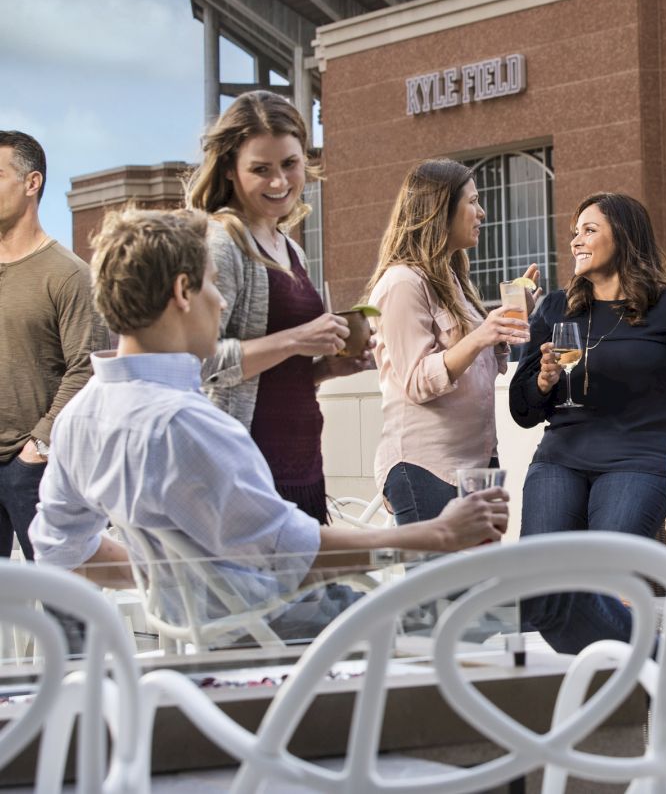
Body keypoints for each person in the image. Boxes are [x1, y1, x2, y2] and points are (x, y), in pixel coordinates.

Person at [29, 208, 508, 638]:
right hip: (290, 634)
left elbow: (60, 549)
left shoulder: (79, 417)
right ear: (182, 292)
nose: (221, 303)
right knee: (466, 629)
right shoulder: (189, 425)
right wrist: (439, 534)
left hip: (211, 636)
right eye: (213, 283)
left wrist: (170, 576)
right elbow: (294, 555)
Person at [184, 91, 371, 525]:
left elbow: (275, 374)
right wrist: (296, 340)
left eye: (289, 164)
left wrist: (324, 369)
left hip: (303, 464)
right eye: (261, 169)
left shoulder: (291, 249)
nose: (279, 182)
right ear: (229, 169)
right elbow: (198, 361)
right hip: (244, 472)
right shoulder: (221, 242)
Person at [510, 192, 666, 545]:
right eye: (575, 233)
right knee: (540, 568)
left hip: (641, 461)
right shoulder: (556, 308)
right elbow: (522, 410)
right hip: (559, 458)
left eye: (589, 230)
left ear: (624, 236)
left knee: (609, 564)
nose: (576, 241)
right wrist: (544, 382)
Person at [364, 159, 536, 524]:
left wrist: (504, 323)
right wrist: (481, 334)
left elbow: (475, 364)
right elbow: (415, 381)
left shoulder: (454, 282)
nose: (482, 212)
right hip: (427, 465)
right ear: (440, 209)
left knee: (486, 564)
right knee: (441, 566)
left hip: (478, 460)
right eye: (472, 201)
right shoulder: (402, 283)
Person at [0, 130, 108, 561]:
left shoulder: (68, 274)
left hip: (32, 470)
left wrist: (37, 448)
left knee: (59, 591)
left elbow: (87, 369)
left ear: (32, 182)